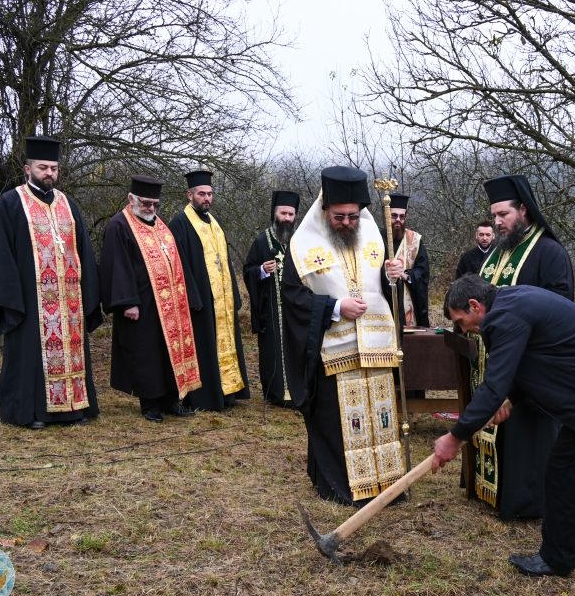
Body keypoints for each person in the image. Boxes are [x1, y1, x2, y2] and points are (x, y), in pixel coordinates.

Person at [432, 275, 575, 577]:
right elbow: (534, 359)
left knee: (565, 467)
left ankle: (557, 558)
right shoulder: (513, 301)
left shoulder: (502, 318)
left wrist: (454, 438)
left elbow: (493, 386)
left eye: (461, 321)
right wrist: (511, 400)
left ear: (475, 305)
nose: (464, 329)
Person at [280, 166, 407, 505]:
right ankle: (344, 485)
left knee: (380, 416)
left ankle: (386, 483)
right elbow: (293, 297)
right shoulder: (302, 244)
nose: (348, 223)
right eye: (340, 216)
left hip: (375, 348)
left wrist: (395, 275)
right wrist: (335, 307)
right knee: (342, 423)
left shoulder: (375, 235)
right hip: (333, 351)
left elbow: (384, 286)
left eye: (354, 216)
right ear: (324, 208)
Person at [467, 174, 575, 520]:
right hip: (496, 361)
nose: (497, 222)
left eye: (504, 215)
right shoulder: (497, 253)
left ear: (524, 210)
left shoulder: (549, 251)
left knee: (528, 435)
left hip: (531, 364)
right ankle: (493, 493)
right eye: (494, 216)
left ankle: (527, 503)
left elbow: (561, 310)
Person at [0, 136, 102, 429]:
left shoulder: (67, 204)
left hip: (69, 300)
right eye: (42, 167)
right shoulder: (12, 202)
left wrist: (89, 293)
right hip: (30, 298)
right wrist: (11, 297)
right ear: (28, 169)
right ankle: (32, 411)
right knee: (31, 354)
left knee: (73, 350)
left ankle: (75, 408)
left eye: (53, 168)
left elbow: (83, 249)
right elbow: (0, 253)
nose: (49, 173)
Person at [100, 176, 202, 423]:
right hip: (141, 306)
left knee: (169, 353)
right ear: (132, 199)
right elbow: (116, 266)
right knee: (146, 354)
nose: (151, 209)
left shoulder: (160, 225)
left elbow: (178, 261)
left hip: (170, 307)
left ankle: (170, 400)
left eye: (155, 204)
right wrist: (127, 302)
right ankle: (150, 404)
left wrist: (189, 295)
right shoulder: (119, 225)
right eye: (146, 204)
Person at [168, 170, 251, 411]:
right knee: (204, 346)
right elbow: (180, 264)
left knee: (226, 344)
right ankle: (204, 397)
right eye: (202, 193)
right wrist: (192, 296)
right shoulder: (180, 223)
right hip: (201, 299)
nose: (207, 198)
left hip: (222, 299)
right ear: (190, 194)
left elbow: (224, 260)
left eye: (210, 194)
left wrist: (234, 295)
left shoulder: (214, 222)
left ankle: (228, 392)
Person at [243, 190, 299, 407]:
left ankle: (297, 391)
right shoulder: (262, 241)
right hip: (272, 308)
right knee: (274, 350)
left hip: (296, 308)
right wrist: (262, 270)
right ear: (275, 214)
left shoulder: (300, 241)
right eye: (283, 213)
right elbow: (248, 270)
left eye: (291, 214)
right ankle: (276, 393)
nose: (287, 218)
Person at [385, 193, 430, 328]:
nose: (398, 219)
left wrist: (406, 275)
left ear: (406, 217)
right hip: (384, 302)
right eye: (394, 215)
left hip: (407, 303)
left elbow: (423, 273)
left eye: (402, 216)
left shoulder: (414, 240)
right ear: (387, 215)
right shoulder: (375, 239)